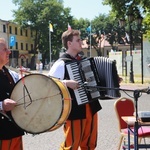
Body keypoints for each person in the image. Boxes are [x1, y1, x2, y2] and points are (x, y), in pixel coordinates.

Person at [48, 30, 102, 150]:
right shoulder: (61, 63)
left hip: (91, 107)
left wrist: (112, 79)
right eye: (78, 40)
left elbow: (96, 79)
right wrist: (66, 82)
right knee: (71, 144)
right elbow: (48, 84)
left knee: (90, 144)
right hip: (75, 110)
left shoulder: (85, 60)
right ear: (69, 44)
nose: (81, 42)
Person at [0, 38, 24, 150]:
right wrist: (1, 105)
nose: (9, 52)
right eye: (5, 49)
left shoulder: (9, 73)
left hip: (15, 130)